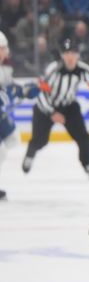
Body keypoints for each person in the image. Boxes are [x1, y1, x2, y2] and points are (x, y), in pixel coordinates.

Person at [22, 37, 89, 177]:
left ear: (78, 55)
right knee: (40, 140)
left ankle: (87, 164)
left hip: (68, 106)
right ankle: (30, 155)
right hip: (45, 108)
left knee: (83, 137)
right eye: (66, 53)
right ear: (61, 55)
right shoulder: (53, 70)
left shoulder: (84, 70)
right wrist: (52, 112)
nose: (70, 57)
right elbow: (40, 94)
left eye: (73, 53)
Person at [0, 31, 39, 200]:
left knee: (12, 139)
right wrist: (13, 91)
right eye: (2, 48)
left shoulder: (5, 68)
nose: (5, 52)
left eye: (5, 48)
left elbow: (7, 86)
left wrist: (22, 90)